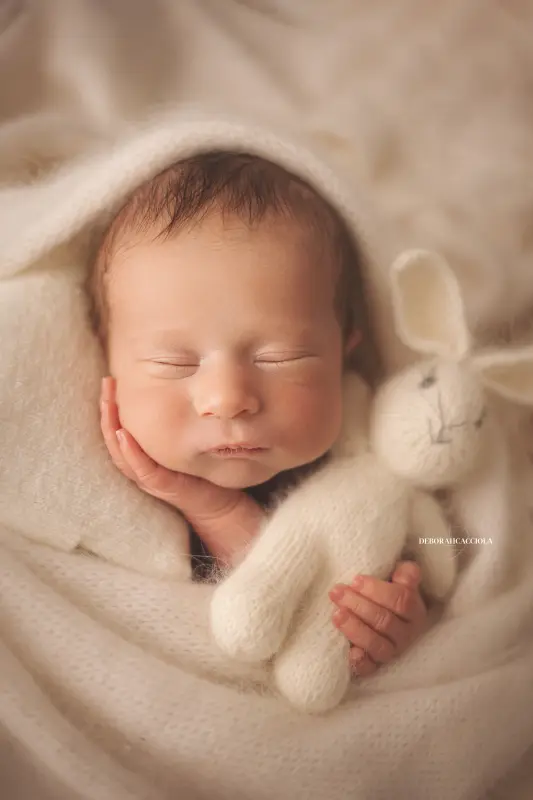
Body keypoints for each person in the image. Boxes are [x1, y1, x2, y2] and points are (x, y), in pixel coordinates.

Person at [88, 150, 429, 680]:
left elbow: (444, 551)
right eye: (173, 363)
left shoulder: (370, 461)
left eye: (280, 359)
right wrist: (209, 508)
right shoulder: (104, 494)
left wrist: (406, 616)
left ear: (346, 353)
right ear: (103, 358)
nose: (228, 398)